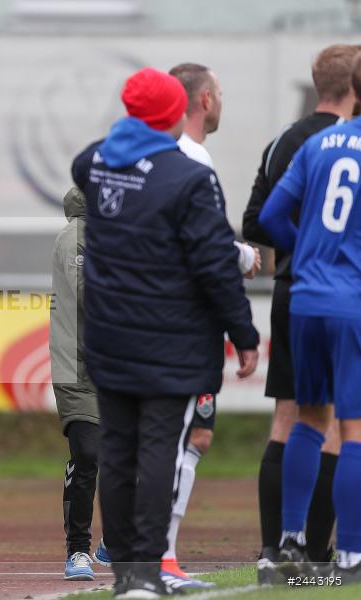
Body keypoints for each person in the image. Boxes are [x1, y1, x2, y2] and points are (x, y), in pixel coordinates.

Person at [71, 68, 259, 598]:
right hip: (171, 342)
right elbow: (216, 266)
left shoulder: (99, 161)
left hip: (109, 338)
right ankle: (147, 573)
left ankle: (126, 572)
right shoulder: (189, 178)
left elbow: (85, 163)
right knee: (159, 449)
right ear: (175, 114)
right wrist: (243, 332)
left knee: (117, 450)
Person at [140, 62, 261, 590]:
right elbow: (204, 248)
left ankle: (148, 553)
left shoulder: (148, 158)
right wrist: (241, 258)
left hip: (147, 322)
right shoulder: (190, 159)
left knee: (184, 437)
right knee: (177, 437)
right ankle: (158, 557)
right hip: (183, 326)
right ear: (205, 99)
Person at [242, 43, 360, 583]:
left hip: (305, 295)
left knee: (305, 421)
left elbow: (266, 215)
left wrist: (308, 253)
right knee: (353, 427)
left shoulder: (315, 143)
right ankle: (348, 556)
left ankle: (285, 546)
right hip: (349, 299)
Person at [50, 186, 100, 582]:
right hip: (78, 369)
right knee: (87, 454)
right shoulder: (77, 235)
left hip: (116, 369)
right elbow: (89, 294)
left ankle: (115, 542)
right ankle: (77, 550)